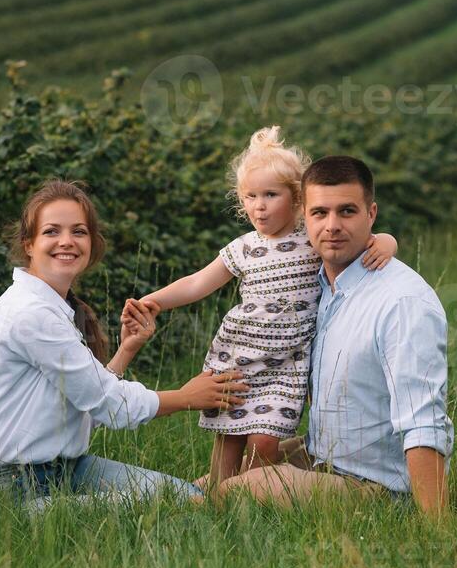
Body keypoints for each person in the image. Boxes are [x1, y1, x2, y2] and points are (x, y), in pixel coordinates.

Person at [123, 126, 397, 487]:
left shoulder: (311, 239)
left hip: (286, 364)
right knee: (230, 437)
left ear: (296, 198)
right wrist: (154, 300)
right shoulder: (244, 247)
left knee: (265, 441)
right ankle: (215, 504)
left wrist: (389, 243)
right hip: (239, 357)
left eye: (271, 194)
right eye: (250, 196)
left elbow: (369, 239)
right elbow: (198, 282)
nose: (259, 205)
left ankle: (250, 500)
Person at [0, 179, 248, 507]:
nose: (66, 241)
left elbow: (85, 401)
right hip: (6, 483)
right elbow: (107, 404)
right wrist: (185, 398)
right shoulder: (30, 313)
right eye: (52, 231)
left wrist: (127, 349)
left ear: (92, 242)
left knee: (187, 498)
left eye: (78, 231)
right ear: (28, 244)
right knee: (185, 505)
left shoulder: (52, 306)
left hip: (65, 468)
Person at [215, 156, 453, 515]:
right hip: (322, 457)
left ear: (371, 214)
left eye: (347, 212)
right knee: (210, 483)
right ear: (303, 217)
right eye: (320, 213)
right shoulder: (318, 286)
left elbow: (424, 423)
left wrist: (438, 529)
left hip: (375, 486)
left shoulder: (401, 303)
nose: (332, 226)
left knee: (231, 492)